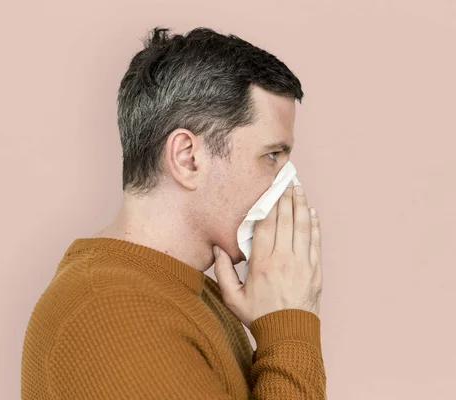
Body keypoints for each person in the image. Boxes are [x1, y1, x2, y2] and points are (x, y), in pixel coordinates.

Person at [21, 26, 325, 399]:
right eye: (272, 156)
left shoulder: (191, 295)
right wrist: (289, 328)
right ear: (188, 158)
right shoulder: (113, 310)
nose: (288, 183)